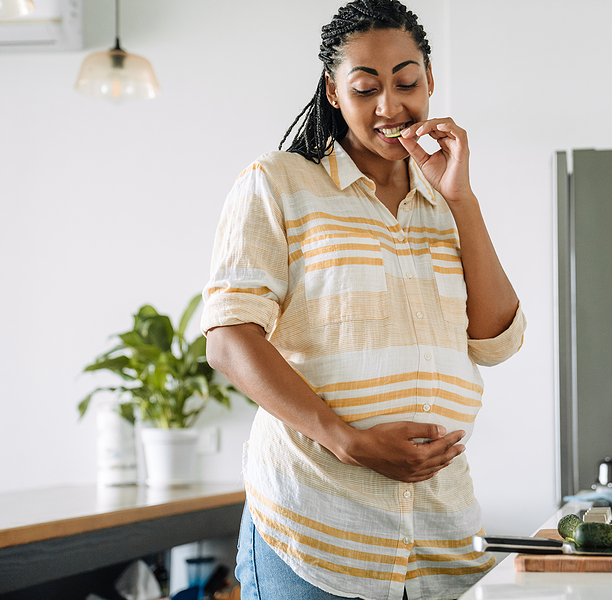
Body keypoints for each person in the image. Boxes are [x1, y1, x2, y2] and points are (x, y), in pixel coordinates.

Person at [201, 1, 525, 598]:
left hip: (440, 532)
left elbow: (496, 338)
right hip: (318, 524)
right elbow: (228, 337)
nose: (389, 108)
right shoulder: (279, 182)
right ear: (332, 91)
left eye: (406, 83)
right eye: (365, 88)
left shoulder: (444, 199)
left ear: (430, 79)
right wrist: (348, 441)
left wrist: (461, 199)